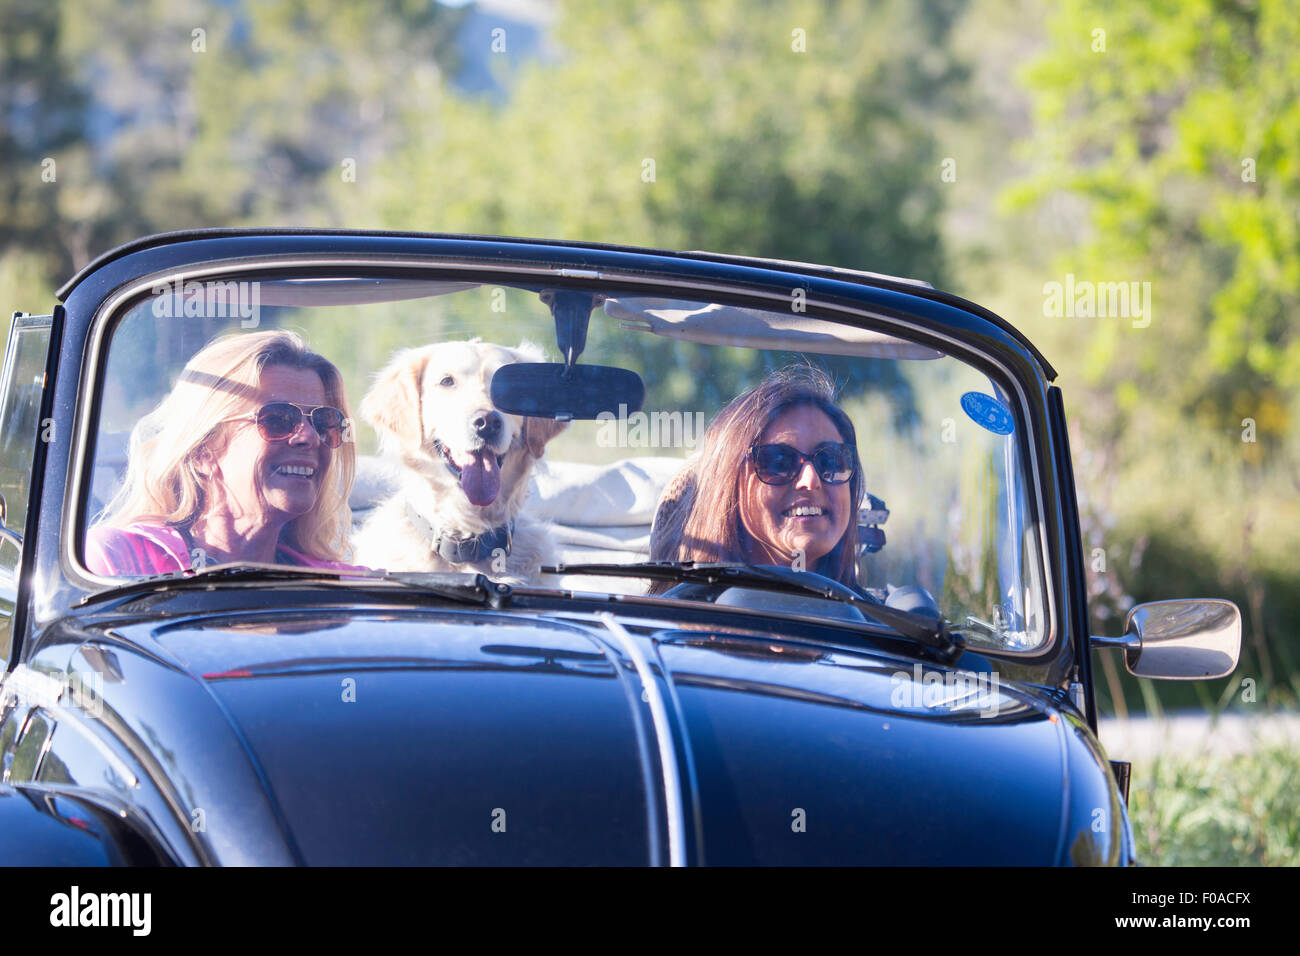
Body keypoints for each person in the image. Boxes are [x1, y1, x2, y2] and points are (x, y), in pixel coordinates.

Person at [86, 330, 361, 576]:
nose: (310, 437)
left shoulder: (338, 585)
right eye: (278, 418)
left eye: (324, 422)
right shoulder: (114, 561)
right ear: (202, 450)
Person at [649, 365, 865, 593]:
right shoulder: (664, 623)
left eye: (830, 461)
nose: (810, 480)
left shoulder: (879, 626)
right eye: (779, 461)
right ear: (728, 485)